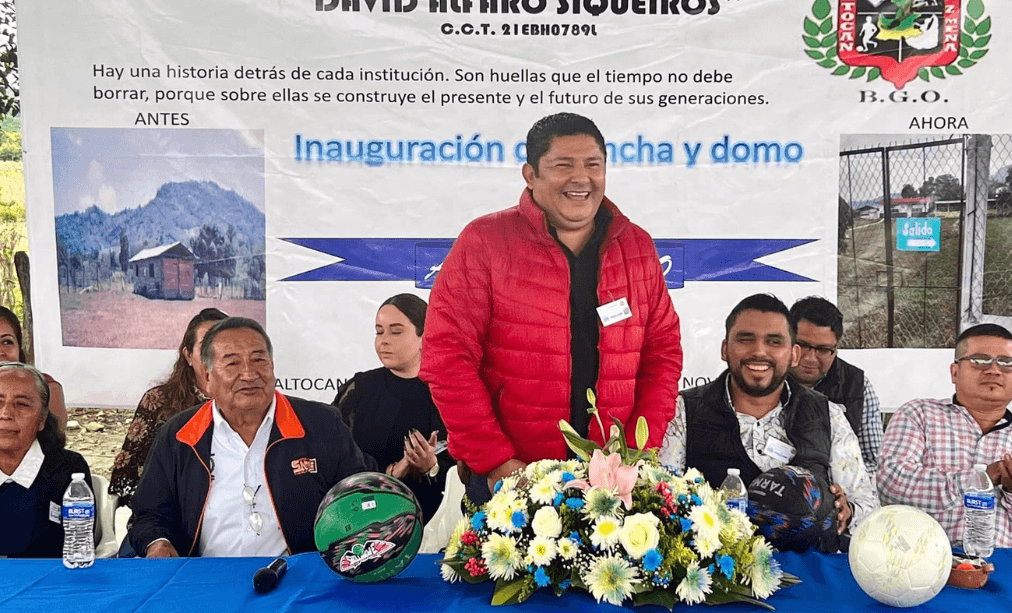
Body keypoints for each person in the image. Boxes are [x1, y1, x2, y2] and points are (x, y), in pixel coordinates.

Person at [422, 112, 682, 505]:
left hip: (614, 482)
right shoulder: (485, 242)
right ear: (530, 174)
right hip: (510, 481)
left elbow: (662, 353)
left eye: (593, 165)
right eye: (563, 165)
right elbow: (447, 358)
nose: (581, 179)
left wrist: (636, 453)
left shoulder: (637, 246)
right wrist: (496, 463)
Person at [128, 317, 368, 557]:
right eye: (232, 363)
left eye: (259, 360)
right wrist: (158, 543)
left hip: (299, 577)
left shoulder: (321, 424)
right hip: (206, 579)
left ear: (272, 367)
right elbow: (150, 514)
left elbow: (357, 496)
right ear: (208, 378)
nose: (249, 374)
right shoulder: (181, 435)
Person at [659, 293, 878, 549]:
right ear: (724, 349)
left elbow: (868, 506)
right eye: (746, 339)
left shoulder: (829, 415)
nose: (759, 351)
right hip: (719, 578)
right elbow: (662, 496)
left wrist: (847, 511)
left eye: (774, 342)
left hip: (812, 574)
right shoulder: (682, 412)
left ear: (793, 354)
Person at [877, 323, 1012, 548]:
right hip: (927, 563)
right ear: (955, 372)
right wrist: (980, 479)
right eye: (980, 360)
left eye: (1007, 363)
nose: (994, 370)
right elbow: (891, 486)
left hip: (1010, 564)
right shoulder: (919, 416)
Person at [334, 293, 452, 525]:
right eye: (379, 332)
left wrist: (432, 466)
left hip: (435, 525)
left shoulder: (450, 391)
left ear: (425, 335)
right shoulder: (360, 389)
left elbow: (471, 469)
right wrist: (389, 472)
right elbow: (334, 454)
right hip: (364, 521)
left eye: (396, 331)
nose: (384, 340)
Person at [109, 307, 228, 506]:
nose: (214, 355)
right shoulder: (159, 401)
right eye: (205, 346)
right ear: (188, 356)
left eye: (223, 347)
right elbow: (125, 477)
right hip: (165, 517)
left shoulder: (249, 404)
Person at [0, 362, 93, 558]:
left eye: (21, 404)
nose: (6, 414)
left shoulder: (69, 470)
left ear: (42, 418)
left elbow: (76, 546)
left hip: (47, 583)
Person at [787, 296, 884, 476]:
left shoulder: (858, 386)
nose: (809, 358)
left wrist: (843, 489)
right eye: (802, 345)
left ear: (836, 347)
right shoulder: (766, 379)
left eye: (823, 350)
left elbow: (872, 460)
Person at [0, 306, 66, 434]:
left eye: (7, 342)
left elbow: (54, 446)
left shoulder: (46, 388)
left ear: (19, 347)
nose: (1, 352)